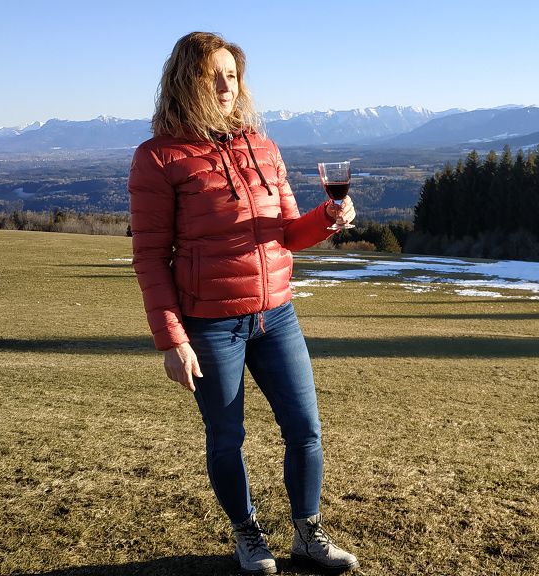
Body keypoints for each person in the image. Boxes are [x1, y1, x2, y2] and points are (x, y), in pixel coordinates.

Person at [128, 31, 358, 575]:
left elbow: (286, 233)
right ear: (187, 80)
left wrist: (327, 219)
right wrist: (172, 339)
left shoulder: (262, 146)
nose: (226, 84)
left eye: (232, 73)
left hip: (277, 314)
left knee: (305, 429)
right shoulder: (158, 158)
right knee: (227, 437)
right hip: (210, 325)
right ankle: (248, 533)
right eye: (213, 74)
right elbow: (150, 258)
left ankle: (308, 534)